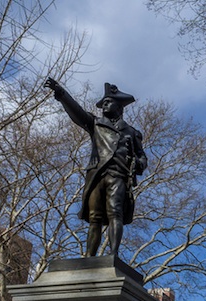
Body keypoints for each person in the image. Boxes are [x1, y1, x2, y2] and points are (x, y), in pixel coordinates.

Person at [44, 78, 147, 257]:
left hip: (118, 176)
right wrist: (61, 94)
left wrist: (139, 164)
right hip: (97, 176)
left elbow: (141, 156)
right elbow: (77, 113)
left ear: (119, 107)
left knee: (115, 213)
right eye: (103, 103)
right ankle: (89, 258)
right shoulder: (95, 124)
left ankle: (113, 255)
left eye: (108, 103)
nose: (104, 106)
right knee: (95, 218)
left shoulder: (131, 132)